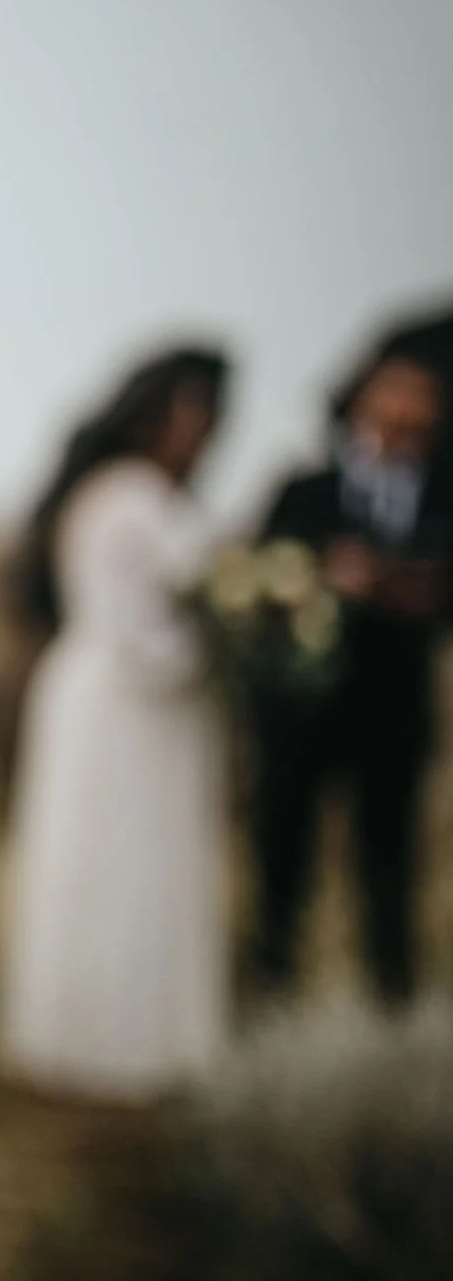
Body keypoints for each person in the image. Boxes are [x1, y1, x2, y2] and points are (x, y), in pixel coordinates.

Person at [0, 346, 232, 1101]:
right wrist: (226, 652)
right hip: (129, 702)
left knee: (116, 862)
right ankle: (113, 1041)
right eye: (191, 410)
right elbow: (138, 634)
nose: (202, 432)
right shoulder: (131, 496)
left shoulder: (118, 493)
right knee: (120, 863)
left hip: (104, 698)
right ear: (153, 410)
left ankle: (101, 1031)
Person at [251, 329, 452, 1005]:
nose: (408, 404)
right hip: (301, 715)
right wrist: (320, 578)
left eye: (423, 391)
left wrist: (405, 586)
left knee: (390, 869)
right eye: (394, 387)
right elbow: (256, 583)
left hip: (395, 714)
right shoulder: (306, 490)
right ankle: (272, 1001)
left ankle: (392, 1007)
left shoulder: (442, 498)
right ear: (358, 398)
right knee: (284, 865)